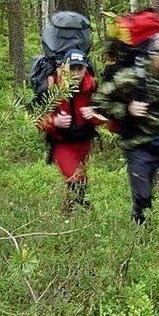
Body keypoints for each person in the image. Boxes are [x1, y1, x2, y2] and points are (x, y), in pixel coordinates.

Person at [92, 32, 159, 230]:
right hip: (138, 145)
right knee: (143, 198)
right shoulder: (129, 78)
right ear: (152, 56)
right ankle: (140, 238)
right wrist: (126, 109)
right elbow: (99, 101)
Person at [37, 50, 103, 211]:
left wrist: (94, 115)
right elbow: (37, 120)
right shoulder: (53, 86)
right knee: (77, 179)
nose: (75, 73)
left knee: (79, 179)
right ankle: (88, 214)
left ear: (85, 69)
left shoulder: (92, 87)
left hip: (84, 143)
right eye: (71, 68)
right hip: (62, 144)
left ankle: (67, 214)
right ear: (63, 68)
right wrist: (54, 121)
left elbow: (108, 118)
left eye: (79, 68)